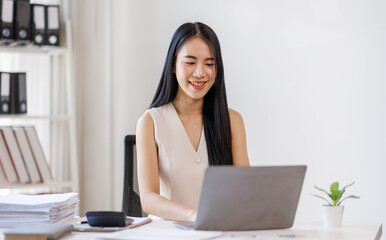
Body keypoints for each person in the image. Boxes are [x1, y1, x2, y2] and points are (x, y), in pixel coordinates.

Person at [136, 22, 249, 222]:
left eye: (209, 63)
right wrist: (195, 215)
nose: (200, 73)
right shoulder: (150, 121)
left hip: (217, 231)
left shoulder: (232, 120)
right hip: (168, 233)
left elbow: (246, 190)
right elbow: (149, 199)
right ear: (173, 64)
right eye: (190, 62)